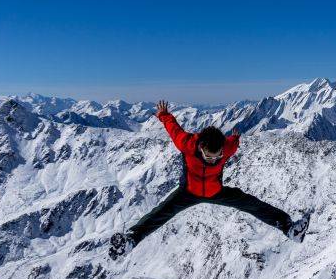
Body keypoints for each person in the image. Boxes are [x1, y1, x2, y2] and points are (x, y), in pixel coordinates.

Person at [109, 100, 310, 259]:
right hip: (188, 192)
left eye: (217, 156)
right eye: (209, 156)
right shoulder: (187, 144)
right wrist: (164, 115)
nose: (214, 160)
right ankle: (130, 241)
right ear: (200, 147)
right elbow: (174, 129)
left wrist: (235, 138)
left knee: (252, 204)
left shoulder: (226, 149)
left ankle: (289, 228)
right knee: (160, 214)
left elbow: (232, 142)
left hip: (217, 191)